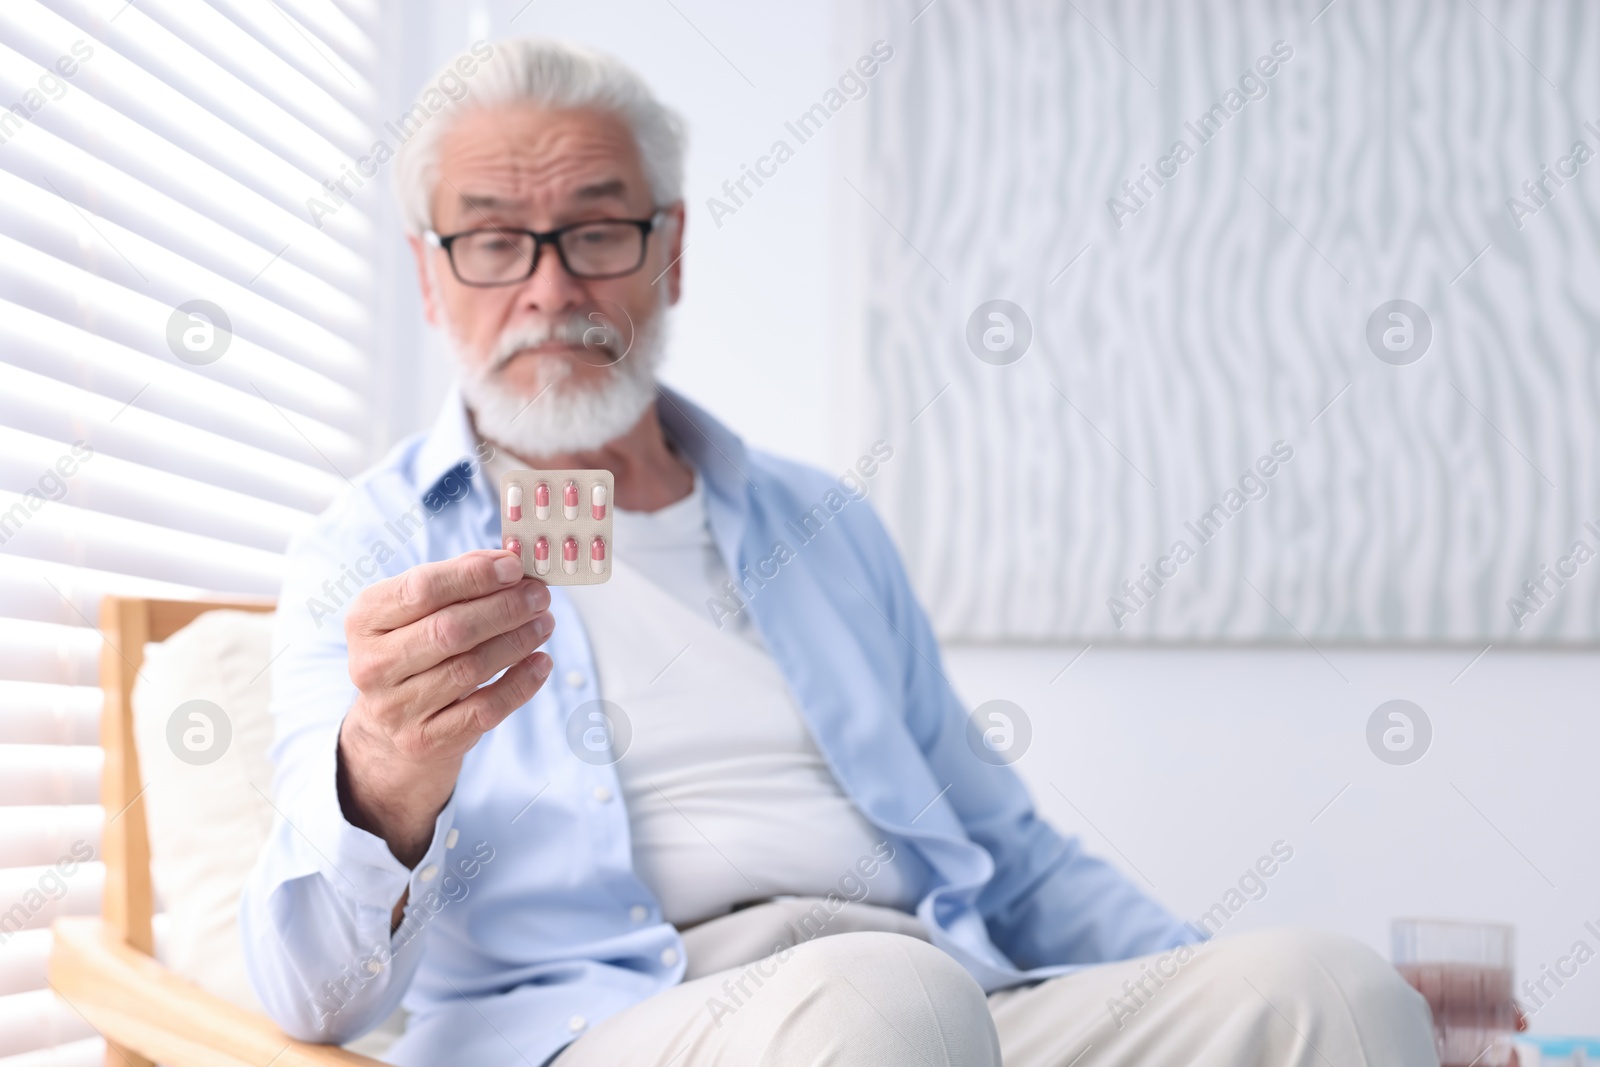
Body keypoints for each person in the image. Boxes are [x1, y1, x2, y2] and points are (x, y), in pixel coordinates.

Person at [241, 36, 1439, 1067]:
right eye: (493, 242)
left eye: (597, 229)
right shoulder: (371, 547)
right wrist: (385, 773)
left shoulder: (824, 527)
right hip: (622, 1018)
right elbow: (313, 996)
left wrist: (1195, 967)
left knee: (1331, 991)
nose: (550, 287)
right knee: (888, 1002)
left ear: (671, 250)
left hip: (941, 998)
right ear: (428, 277)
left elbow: (1009, 856)